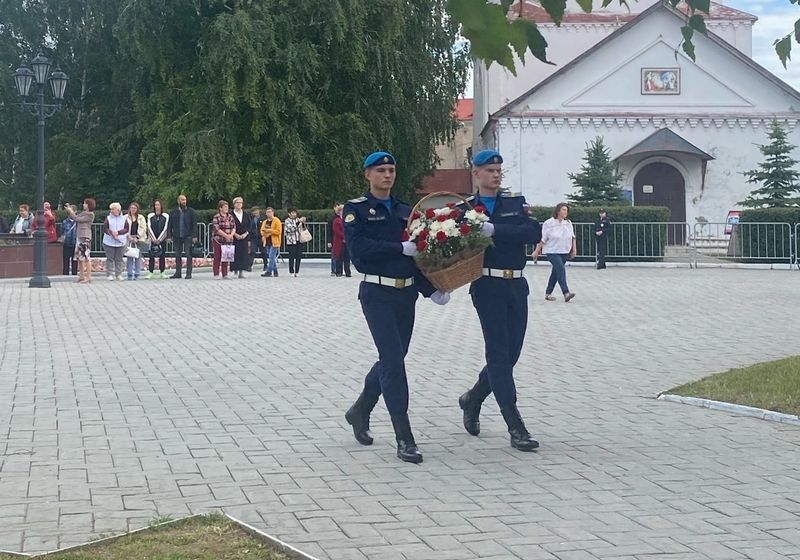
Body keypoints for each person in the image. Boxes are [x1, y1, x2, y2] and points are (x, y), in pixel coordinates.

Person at [343, 151, 450, 464]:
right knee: (393, 361)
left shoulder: (406, 210)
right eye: (381, 170)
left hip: (406, 295)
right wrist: (398, 248)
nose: (387, 175)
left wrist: (430, 289)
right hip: (377, 293)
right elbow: (359, 250)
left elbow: (417, 256)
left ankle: (360, 410)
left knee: (392, 359)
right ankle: (404, 437)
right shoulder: (356, 209)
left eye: (391, 170)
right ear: (368, 174)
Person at [456, 149, 542, 452]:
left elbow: (532, 231)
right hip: (487, 285)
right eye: (490, 170)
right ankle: (515, 425)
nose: (496, 175)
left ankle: (473, 398)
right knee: (498, 354)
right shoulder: (465, 208)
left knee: (511, 354)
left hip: (516, 284)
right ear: (476, 173)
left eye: (498, 170)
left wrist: (494, 230)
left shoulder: (515, 202)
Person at [533, 202, 576, 302]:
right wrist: (536, 251)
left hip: (564, 250)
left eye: (566, 210)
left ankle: (548, 293)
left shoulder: (568, 223)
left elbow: (572, 237)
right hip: (552, 251)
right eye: (563, 210)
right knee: (560, 269)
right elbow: (543, 238)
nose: (565, 212)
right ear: (558, 211)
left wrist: (574, 249)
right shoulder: (549, 223)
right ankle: (566, 292)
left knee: (556, 273)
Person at [64, 198, 96, 283]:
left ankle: (88, 277)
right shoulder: (83, 213)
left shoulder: (90, 214)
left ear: (89, 205)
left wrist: (71, 211)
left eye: (85, 203)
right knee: (79, 257)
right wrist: (70, 211)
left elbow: (77, 219)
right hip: (79, 236)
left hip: (85, 237)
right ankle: (81, 276)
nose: (83, 205)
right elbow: (76, 217)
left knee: (86, 257)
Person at [168, 194, 198, 279]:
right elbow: (169, 225)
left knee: (188, 254)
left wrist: (194, 236)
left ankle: (188, 273)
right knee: (177, 255)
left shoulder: (191, 211)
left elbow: (194, 224)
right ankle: (178, 273)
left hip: (188, 236)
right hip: (177, 236)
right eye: (182, 200)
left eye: (185, 200)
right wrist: (169, 236)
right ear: (178, 201)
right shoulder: (173, 212)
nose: (184, 201)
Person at [102, 202, 128, 281]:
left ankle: (118, 274)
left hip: (121, 241)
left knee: (119, 259)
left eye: (113, 209)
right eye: (111, 209)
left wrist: (118, 232)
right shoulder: (108, 218)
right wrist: (111, 233)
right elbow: (105, 228)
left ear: (118, 209)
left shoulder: (124, 218)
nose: (111, 211)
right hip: (109, 242)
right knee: (110, 259)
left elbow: (126, 228)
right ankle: (110, 274)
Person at [211, 200, 235, 279]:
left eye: (227, 207)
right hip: (218, 239)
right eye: (224, 207)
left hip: (228, 240)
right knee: (217, 256)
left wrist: (231, 235)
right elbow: (217, 229)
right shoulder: (216, 217)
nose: (226, 208)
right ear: (220, 208)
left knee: (226, 257)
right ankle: (216, 274)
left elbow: (234, 227)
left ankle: (225, 274)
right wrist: (226, 235)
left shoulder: (230, 217)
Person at [146, 199, 170, 279]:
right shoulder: (150, 216)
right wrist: (153, 239)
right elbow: (149, 227)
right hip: (152, 239)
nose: (157, 206)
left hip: (162, 239)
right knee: (151, 256)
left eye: (158, 205)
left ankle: (162, 272)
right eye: (156, 205)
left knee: (162, 256)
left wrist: (159, 239)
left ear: (161, 206)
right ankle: (151, 272)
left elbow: (166, 228)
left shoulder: (166, 216)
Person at [125, 202, 147, 280]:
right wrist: (128, 236)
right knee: (129, 256)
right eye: (131, 208)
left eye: (134, 208)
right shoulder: (125, 217)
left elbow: (143, 228)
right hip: (129, 238)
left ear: (137, 209)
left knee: (138, 256)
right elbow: (124, 228)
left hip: (138, 239)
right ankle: (129, 274)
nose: (133, 209)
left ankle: (137, 273)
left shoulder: (141, 217)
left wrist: (137, 237)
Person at [230, 197, 252, 278]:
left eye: (241, 203)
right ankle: (235, 269)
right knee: (235, 254)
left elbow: (250, 226)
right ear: (234, 204)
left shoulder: (246, 214)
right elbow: (229, 226)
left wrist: (246, 234)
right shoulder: (231, 214)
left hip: (244, 237)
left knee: (243, 254)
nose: (239, 204)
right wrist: (235, 234)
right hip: (234, 237)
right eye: (237, 202)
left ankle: (241, 271)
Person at [283, 208, 306, 277]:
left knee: (298, 256)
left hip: (299, 240)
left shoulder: (298, 219)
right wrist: (299, 222)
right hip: (291, 241)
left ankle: (297, 271)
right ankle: (291, 271)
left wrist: (303, 223)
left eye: (295, 213)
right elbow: (291, 229)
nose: (294, 214)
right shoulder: (287, 221)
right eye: (292, 213)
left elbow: (303, 229)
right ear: (289, 214)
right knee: (291, 256)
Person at [260, 207, 282, 277]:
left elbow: (278, 231)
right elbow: (262, 230)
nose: (269, 213)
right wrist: (264, 233)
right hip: (267, 241)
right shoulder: (265, 222)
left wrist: (270, 231)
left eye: (270, 212)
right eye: (267, 212)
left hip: (274, 242)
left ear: (273, 212)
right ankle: (275, 271)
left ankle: (269, 271)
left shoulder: (277, 221)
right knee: (271, 257)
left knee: (271, 256)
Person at [61, 205, 78, 275]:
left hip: (75, 243)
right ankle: (65, 273)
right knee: (65, 260)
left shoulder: (78, 222)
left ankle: (74, 273)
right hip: (66, 243)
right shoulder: (64, 222)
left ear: (75, 211)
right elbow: (62, 232)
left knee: (75, 260)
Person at [249, 206, 263, 271]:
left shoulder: (262, 218)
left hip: (261, 237)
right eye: (254, 211)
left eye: (256, 211)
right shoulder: (250, 219)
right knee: (252, 251)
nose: (255, 212)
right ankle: (249, 266)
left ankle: (266, 265)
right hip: (253, 237)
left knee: (264, 252)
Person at [327, 206, 338, 276]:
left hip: (340, 239)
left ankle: (339, 270)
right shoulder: (332, 219)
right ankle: (333, 270)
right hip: (334, 239)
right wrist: (329, 241)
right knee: (334, 255)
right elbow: (329, 231)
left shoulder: (343, 217)